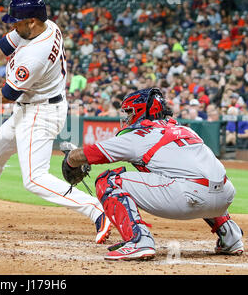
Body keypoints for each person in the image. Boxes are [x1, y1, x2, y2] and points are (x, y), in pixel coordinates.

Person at [0, 0, 111, 244]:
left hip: (41, 112)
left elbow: (7, 95)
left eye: (16, 21)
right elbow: (2, 46)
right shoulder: (44, 26)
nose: (12, 25)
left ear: (31, 22)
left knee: (34, 179)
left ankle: (97, 209)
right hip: (32, 107)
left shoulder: (35, 54)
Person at [62, 88, 244, 260]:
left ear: (141, 112)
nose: (127, 117)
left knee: (108, 180)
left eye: (129, 112)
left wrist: (71, 158)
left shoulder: (139, 135)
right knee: (201, 179)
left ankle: (138, 241)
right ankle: (231, 237)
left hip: (188, 197)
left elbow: (93, 153)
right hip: (225, 196)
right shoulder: (185, 129)